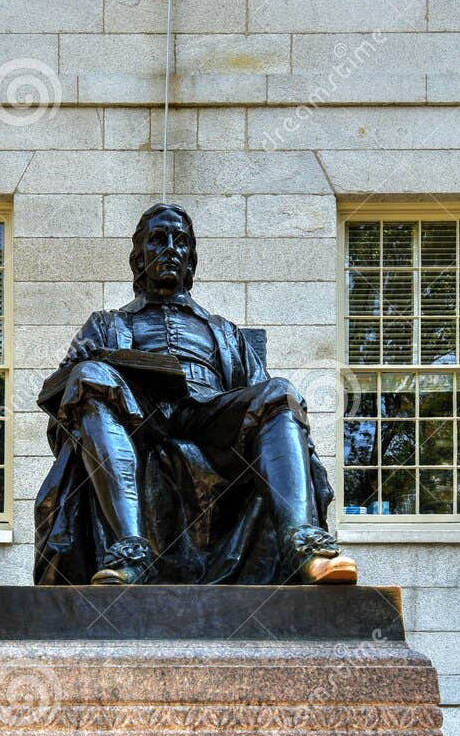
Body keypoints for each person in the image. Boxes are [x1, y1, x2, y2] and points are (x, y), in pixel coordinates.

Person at [33, 203, 357, 586]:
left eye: (180, 241)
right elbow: (61, 404)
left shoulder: (223, 331)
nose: (170, 248)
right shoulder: (106, 324)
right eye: (158, 240)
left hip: (209, 415)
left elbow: (262, 397)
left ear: (190, 260)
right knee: (88, 374)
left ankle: (306, 548)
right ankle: (130, 552)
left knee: (281, 393)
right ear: (139, 258)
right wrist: (78, 367)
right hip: (137, 417)